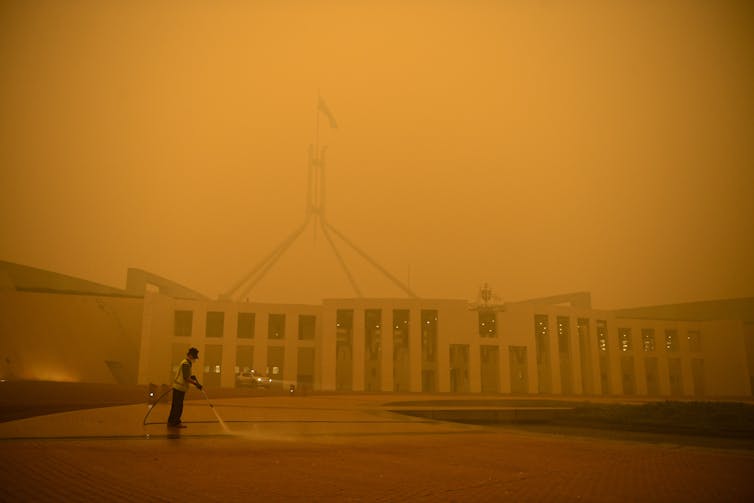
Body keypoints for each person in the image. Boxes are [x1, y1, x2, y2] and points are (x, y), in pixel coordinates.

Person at [167, 347, 203, 428]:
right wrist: (196, 384)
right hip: (180, 387)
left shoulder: (186, 363)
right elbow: (186, 378)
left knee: (175, 405)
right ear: (190, 355)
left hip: (178, 387)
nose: (194, 359)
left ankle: (171, 421)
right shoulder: (186, 364)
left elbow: (188, 375)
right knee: (178, 406)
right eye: (194, 357)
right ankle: (175, 422)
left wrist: (193, 379)